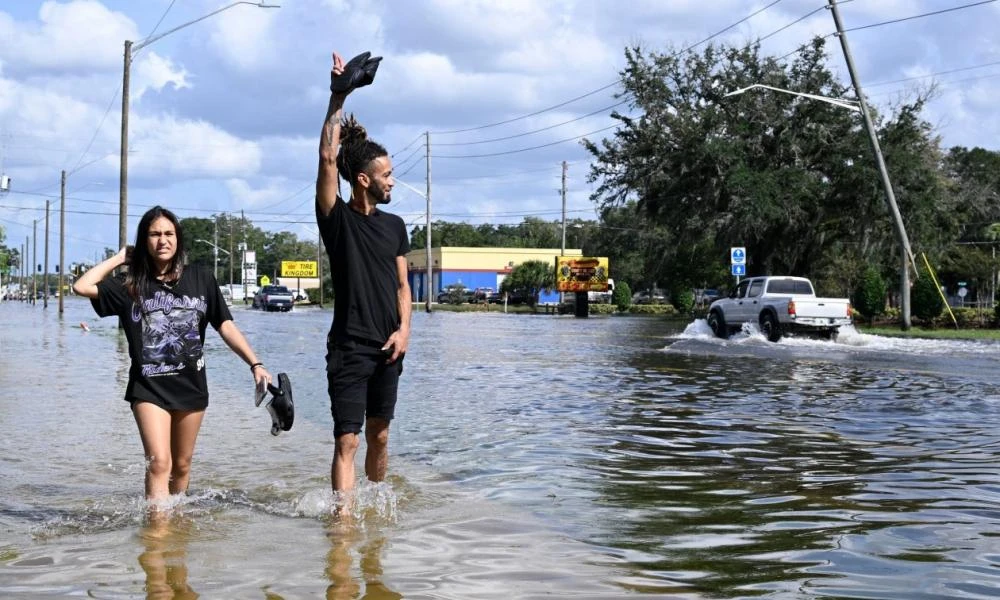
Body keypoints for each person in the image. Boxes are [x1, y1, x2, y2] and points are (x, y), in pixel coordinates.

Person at [73, 206, 272, 504]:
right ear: (144, 241)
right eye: (154, 234)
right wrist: (119, 258)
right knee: (159, 463)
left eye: (168, 234)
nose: (162, 240)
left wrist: (255, 363)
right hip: (148, 388)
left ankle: (175, 527)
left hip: (191, 385)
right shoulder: (131, 284)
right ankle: (156, 536)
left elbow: (225, 325)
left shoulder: (201, 278)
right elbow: (81, 286)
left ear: (178, 239)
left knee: (181, 466)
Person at [316, 50, 412, 503]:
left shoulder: (395, 227)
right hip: (349, 347)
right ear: (363, 179)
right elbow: (327, 157)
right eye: (387, 175)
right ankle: (343, 525)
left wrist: (405, 331)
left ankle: (374, 513)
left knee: (380, 437)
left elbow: (402, 287)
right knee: (347, 441)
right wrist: (339, 96)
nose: (393, 181)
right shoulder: (338, 221)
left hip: (389, 348)